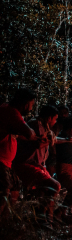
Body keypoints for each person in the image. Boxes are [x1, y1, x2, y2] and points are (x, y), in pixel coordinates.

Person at [14, 105, 61, 219]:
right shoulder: (36, 124)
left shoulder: (45, 127)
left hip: (37, 165)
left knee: (43, 191)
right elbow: (39, 143)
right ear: (49, 118)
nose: (55, 122)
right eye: (55, 119)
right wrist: (50, 140)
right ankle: (46, 219)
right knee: (55, 185)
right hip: (26, 163)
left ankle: (42, 219)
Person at [0, 89, 38, 218]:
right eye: (32, 105)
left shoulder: (6, 108)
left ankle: (6, 222)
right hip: (1, 160)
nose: (31, 108)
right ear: (26, 104)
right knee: (4, 191)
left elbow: (17, 132)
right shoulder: (12, 112)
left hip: (7, 161)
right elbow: (28, 132)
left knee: (14, 190)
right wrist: (33, 135)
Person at [46, 105, 70, 176]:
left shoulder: (67, 127)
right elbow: (53, 141)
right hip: (52, 156)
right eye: (61, 113)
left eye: (65, 113)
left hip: (63, 157)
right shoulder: (53, 126)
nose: (63, 115)